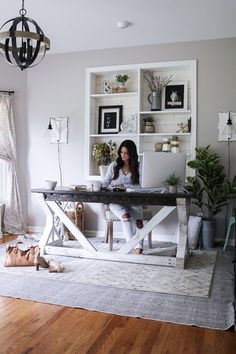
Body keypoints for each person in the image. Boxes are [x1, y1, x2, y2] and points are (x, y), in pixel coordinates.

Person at [102, 140, 143, 254]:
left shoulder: (138, 167)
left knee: (139, 221)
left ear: (132, 153)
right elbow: (105, 183)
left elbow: (140, 186)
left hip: (133, 200)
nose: (123, 155)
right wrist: (109, 187)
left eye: (126, 153)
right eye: (121, 152)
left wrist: (124, 186)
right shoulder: (114, 166)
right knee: (126, 216)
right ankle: (131, 245)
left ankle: (139, 246)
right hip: (116, 201)